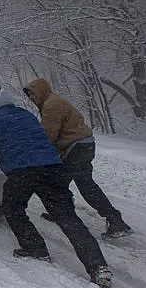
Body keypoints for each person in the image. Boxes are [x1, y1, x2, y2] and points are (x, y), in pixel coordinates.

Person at [0, 89, 113, 287]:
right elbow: (25, 139)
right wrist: (1, 145)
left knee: (13, 209)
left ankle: (35, 247)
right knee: (68, 218)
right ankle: (98, 267)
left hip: (23, 172)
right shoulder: (27, 116)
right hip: (52, 169)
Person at [23, 78, 133, 239]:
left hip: (77, 148)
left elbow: (48, 135)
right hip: (81, 145)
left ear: (41, 90)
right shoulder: (52, 102)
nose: (31, 98)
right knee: (59, 182)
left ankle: (116, 221)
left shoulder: (52, 105)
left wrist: (33, 151)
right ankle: (60, 212)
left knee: (85, 186)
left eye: (32, 94)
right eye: (29, 96)